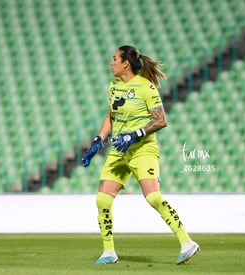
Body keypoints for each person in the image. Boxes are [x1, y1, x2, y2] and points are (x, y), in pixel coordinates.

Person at [82, 45, 200, 265]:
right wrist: (97, 141)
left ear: (125, 63)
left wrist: (134, 135)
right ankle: (109, 252)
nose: (111, 62)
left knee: (154, 197)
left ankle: (187, 243)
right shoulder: (113, 85)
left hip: (142, 150)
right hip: (118, 151)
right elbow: (110, 117)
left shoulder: (146, 87)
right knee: (102, 200)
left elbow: (160, 120)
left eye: (114, 58)